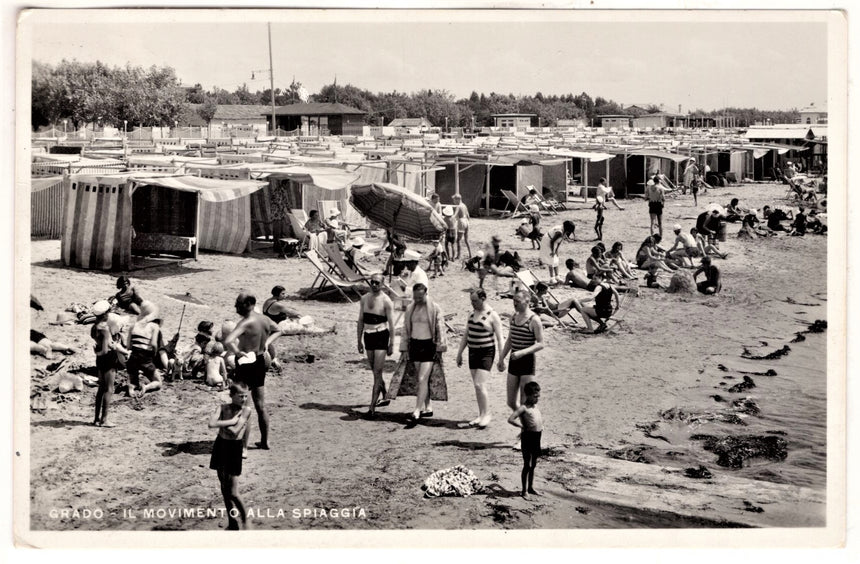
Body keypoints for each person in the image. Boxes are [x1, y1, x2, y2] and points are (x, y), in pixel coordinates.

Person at [224, 293, 283, 452]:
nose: (236, 307)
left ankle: (243, 447)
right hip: (260, 360)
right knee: (261, 405)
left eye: (238, 304)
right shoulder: (264, 319)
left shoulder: (245, 322)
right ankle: (265, 441)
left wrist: (237, 352)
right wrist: (266, 343)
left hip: (246, 362)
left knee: (244, 407)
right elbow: (279, 330)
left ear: (248, 304)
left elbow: (228, 340)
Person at [456, 288, 504, 429]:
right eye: (471, 301)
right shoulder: (471, 314)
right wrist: (459, 353)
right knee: (476, 386)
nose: (473, 303)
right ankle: (481, 414)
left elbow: (500, 338)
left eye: (475, 301)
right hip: (473, 352)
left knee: (479, 384)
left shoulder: (492, 315)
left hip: (486, 352)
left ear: (483, 298)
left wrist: (501, 359)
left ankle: (487, 414)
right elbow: (466, 335)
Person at [208, 381, 253, 530]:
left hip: (234, 449)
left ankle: (246, 520)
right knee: (224, 488)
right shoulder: (222, 407)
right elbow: (211, 424)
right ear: (231, 395)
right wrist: (232, 421)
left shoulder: (246, 410)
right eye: (240, 396)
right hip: (221, 446)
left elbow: (235, 431)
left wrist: (222, 423)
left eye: (245, 396)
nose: (244, 399)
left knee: (233, 492)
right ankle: (232, 521)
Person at [400, 283, 447, 423]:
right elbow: (405, 328)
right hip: (414, 345)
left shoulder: (434, 308)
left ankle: (416, 410)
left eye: (420, 297)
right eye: (415, 297)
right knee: (421, 380)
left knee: (422, 378)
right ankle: (428, 406)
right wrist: (404, 348)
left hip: (428, 346)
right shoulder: (411, 308)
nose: (418, 300)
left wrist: (440, 348)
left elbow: (441, 328)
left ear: (426, 293)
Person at [356, 273, 395, 418]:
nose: (374, 285)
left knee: (377, 372)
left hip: (381, 336)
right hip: (368, 336)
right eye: (372, 282)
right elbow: (361, 320)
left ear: (382, 284)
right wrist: (358, 340)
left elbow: (392, 324)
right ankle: (384, 393)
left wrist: (392, 343)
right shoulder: (364, 298)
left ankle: (372, 406)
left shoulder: (386, 301)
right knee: (375, 371)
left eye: (377, 283)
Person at [500, 291, 544, 416]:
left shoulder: (534, 320)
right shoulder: (513, 317)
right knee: (510, 402)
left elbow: (541, 344)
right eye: (514, 300)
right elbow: (510, 340)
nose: (515, 303)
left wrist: (522, 352)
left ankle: (531, 425)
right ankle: (525, 421)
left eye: (518, 301)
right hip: (514, 360)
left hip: (527, 361)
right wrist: (501, 358)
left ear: (527, 301)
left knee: (525, 401)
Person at [90, 300, 128, 427]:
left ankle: (96, 419)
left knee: (101, 388)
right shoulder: (105, 328)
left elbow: (104, 343)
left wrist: (97, 352)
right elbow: (106, 349)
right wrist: (99, 352)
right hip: (108, 359)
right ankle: (104, 420)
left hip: (100, 361)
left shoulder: (94, 327)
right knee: (109, 389)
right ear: (105, 314)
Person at [508, 381, 543, 500]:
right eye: (535, 396)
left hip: (537, 436)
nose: (537, 399)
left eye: (538, 396)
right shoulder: (523, 408)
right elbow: (511, 419)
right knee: (527, 464)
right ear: (528, 395)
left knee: (534, 464)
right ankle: (524, 491)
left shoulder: (535, 407)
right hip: (528, 437)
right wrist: (521, 426)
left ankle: (531, 487)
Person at [125, 302, 164, 398]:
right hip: (145, 358)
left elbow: (128, 346)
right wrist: (154, 354)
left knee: (134, 381)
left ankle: (132, 387)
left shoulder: (133, 325)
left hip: (133, 358)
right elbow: (154, 344)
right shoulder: (154, 326)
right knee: (158, 382)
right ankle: (146, 387)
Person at [261, 285, 302, 370]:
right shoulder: (277, 305)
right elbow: (291, 312)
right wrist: (299, 315)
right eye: (283, 294)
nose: (285, 295)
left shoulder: (268, 301)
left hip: (267, 326)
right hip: (274, 328)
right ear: (277, 294)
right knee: (301, 326)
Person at [541, 220, 576, 284]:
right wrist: (552, 251)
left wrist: (556, 250)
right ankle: (552, 278)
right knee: (551, 258)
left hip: (554, 241)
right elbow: (552, 241)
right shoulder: (559, 232)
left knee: (556, 258)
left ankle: (557, 276)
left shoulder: (564, 231)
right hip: (547, 241)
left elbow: (560, 241)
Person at [452, 193, 472, 259]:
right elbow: (468, 216)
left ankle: (458, 255)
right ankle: (470, 254)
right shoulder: (464, 205)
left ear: (458, 199)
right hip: (466, 222)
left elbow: (454, 216)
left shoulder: (458, 206)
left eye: (454, 200)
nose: (454, 201)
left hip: (461, 222)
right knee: (466, 240)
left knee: (458, 240)